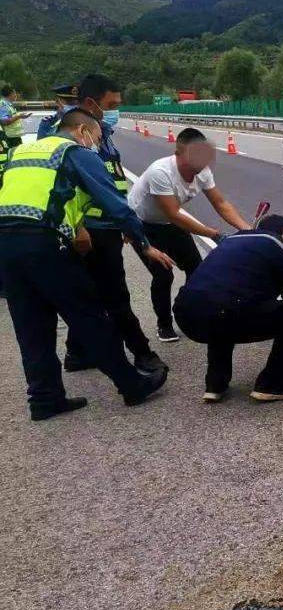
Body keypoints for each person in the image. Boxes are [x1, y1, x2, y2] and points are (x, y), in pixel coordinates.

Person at [0, 109, 175, 421]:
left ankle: (44, 399)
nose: (96, 143)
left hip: (6, 243)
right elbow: (116, 206)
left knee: (31, 325)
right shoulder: (75, 152)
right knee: (89, 315)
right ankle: (131, 384)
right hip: (43, 242)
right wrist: (144, 245)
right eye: (95, 137)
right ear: (82, 131)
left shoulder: (20, 150)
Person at [60, 74, 167, 374]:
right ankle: (142, 354)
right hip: (89, 229)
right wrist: (80, 227)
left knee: (93, 291)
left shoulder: (101, 132)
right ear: (92, 103)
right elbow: (63, 186)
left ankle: (77, 353)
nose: (115, 110)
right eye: (112, 105)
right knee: (116, 295)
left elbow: (112, 179)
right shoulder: (71, 135)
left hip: (107, 225)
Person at [173, 214, 283, 402]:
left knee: (224, 308)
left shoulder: (229, 242)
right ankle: (272, 384)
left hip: (186, 314)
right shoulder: (280, 245)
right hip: (227, 312)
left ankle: (215, 384)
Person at [129, 127, 251, 342]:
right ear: (178, 154)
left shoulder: (202, 171)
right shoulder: (161, 172)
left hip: (170, 223)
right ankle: (164, 325)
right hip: (142, 225)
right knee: (163, 273)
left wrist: (248, 230)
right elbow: (174, 214)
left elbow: (221, 204)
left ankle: (194, 315)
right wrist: (213, 234)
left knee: (198, 268)